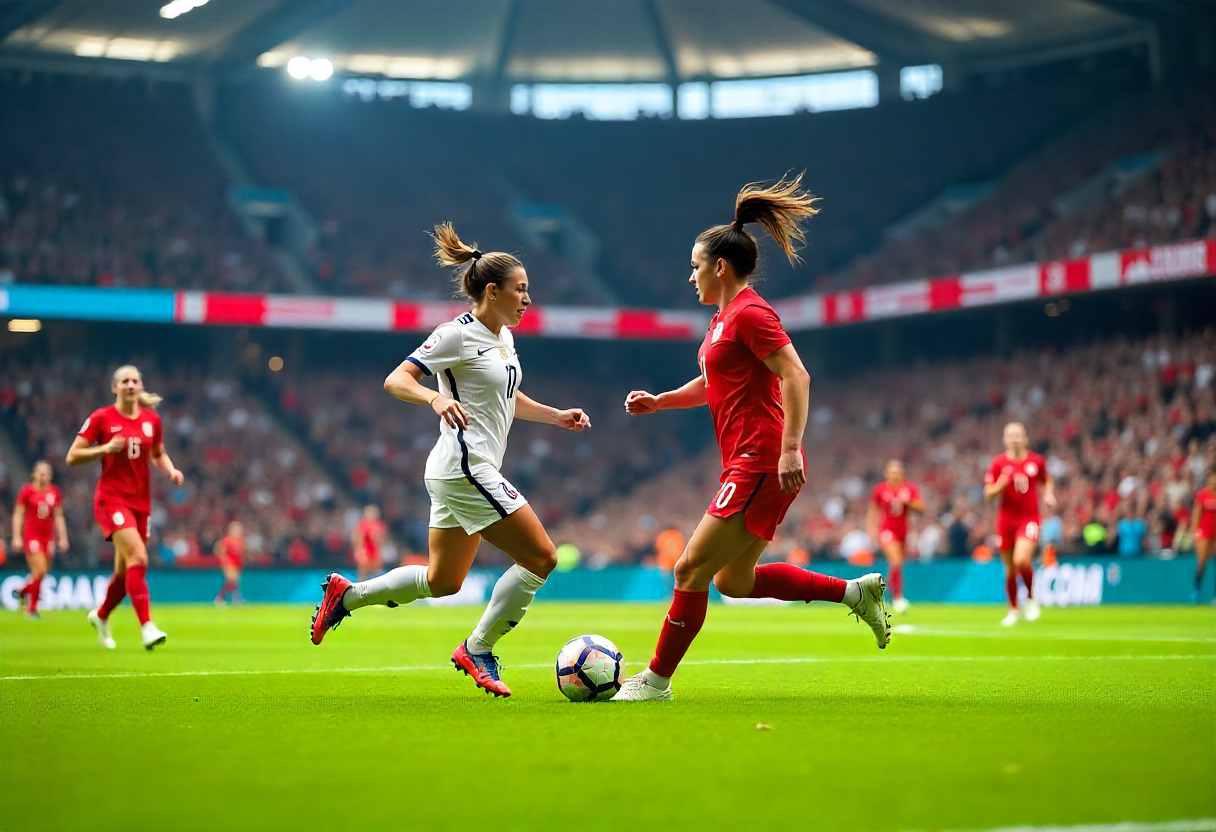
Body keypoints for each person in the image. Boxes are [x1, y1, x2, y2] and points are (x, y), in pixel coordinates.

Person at [613, 175, 890, 703]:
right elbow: (712, 383)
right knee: (734, 582)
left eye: (695, 266)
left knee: (689, 568)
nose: (690, 275)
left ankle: (655, 681)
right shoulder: (722, 321)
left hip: (761, 458)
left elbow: (796, 375)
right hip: (750, 460)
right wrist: (660, 401)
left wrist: (789, 447)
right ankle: (856, 592)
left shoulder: (751, 314)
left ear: (720, 267)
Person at [310, 222, 591, 698]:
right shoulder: (454, 335)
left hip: (459, 469)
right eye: (520, 290)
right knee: (542, 556)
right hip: (465, 467)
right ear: (491, 290)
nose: (527, 299)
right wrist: (433, 399)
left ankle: (348, 595)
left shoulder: (504, 338)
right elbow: (396, 380)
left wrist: (554, 416)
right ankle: (477, 647)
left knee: (443, 581)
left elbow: (507, 396)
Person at [67, 364, 183, 650]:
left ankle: (101, 614)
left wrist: (170, 470)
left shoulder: (151, 420)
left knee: (125, 571)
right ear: (114, 388)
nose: (130, 385)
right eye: (124, 381)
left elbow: (158, 452)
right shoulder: (101, 418)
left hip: (140, 503)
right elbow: (73, 456)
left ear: (140, 386)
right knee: (139, 558)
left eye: (135, 380)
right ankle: (147, 627)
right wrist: (104, 449)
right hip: (111, 499)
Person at [984, 421, 1056, 626]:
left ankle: (1032, 599)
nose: (1015, 439)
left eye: (1018, 435)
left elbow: (1047, 479)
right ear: (1005, 440)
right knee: (1009, 569)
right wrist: (1000, 485)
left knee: (1021, 560)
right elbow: (988, 493)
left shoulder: (1036, 461)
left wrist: (1049, 494)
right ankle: (1014, 609)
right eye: (1010, 435)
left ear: (1025, 438)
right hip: (1006, 520)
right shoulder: (998, 464)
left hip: (1029, 518)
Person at [11, 461, 68, 618]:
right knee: (40, 570)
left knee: (41, 574)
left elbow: (58, 516)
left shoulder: (54, 492)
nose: (44, 476)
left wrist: (63, 537)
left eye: (47, 473)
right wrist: (16, 536)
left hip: (48, 538)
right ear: (34, 475)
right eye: (41, 473)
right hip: (32, 537)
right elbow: (18, 514)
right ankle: (32, 609)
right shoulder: (27, 491)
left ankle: (23, 592)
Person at [866, 459, 924, 613]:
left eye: (897, 472)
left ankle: (881, 593)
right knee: (896, 561)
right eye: (892, 472)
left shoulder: (909, 489)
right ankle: (898, 597)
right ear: (886, 474)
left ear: (902, 474)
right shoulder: (880, 490)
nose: (895, 475)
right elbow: (873, 511)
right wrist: (871, 532)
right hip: (887, 531)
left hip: (903, 531)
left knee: (897, 565)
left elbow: (921, 508)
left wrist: (908, 503)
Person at [1191, 470, 1216, 601]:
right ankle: (1197, 590)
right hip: (1204, 532)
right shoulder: (1203, 495)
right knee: (1201, 562)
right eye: (1212, 479)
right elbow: (1196, 514)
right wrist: (1195, 532)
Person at [214, 521, 245, 605]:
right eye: (236, 529)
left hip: (237, 565)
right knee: (232, 580)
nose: (238, 531)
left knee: (232, 582)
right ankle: (235, 598)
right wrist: (224, 561)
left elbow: (240, 554)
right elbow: (219, 551)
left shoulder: (240, 541)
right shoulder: (227, 540)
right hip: (229, 564)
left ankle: (221, 598)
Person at [352, 505, 386, 581]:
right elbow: (357, 538)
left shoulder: (379, 525)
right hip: (365, 553)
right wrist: (358, 551)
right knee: (363, 575)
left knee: (377, 575)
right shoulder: (363, 525)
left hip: (375, 553)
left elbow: (382, 540)